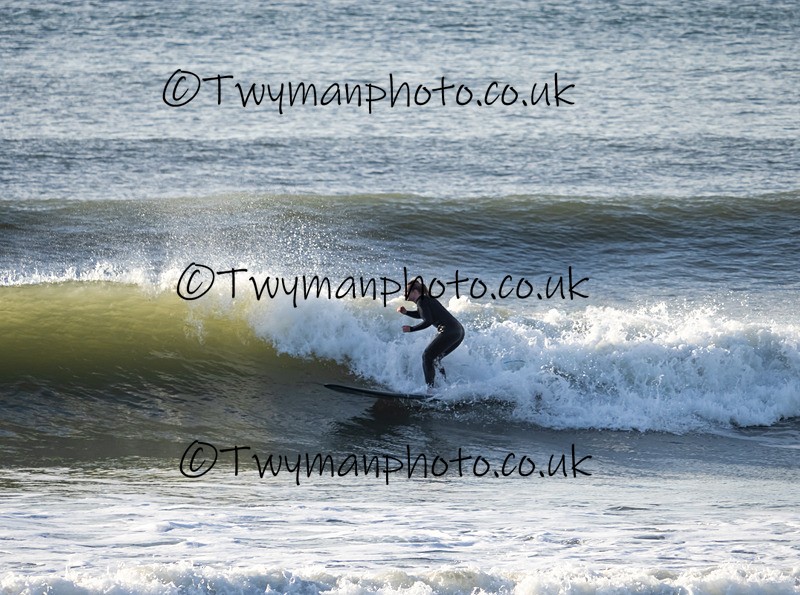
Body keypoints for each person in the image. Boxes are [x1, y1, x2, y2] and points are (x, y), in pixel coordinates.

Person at [398, 278, 465, 389]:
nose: (404, 294)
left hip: (448, 331)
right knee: (435, 359)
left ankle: (430, 390)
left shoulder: (421, 301)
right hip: (458, 331)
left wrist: (411, 329)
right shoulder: (426, 300)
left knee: (427, 356)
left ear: (415, 292)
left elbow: (428, 321)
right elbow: (424, 315)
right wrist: (406, 312)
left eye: (407, 291)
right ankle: (443, 387)